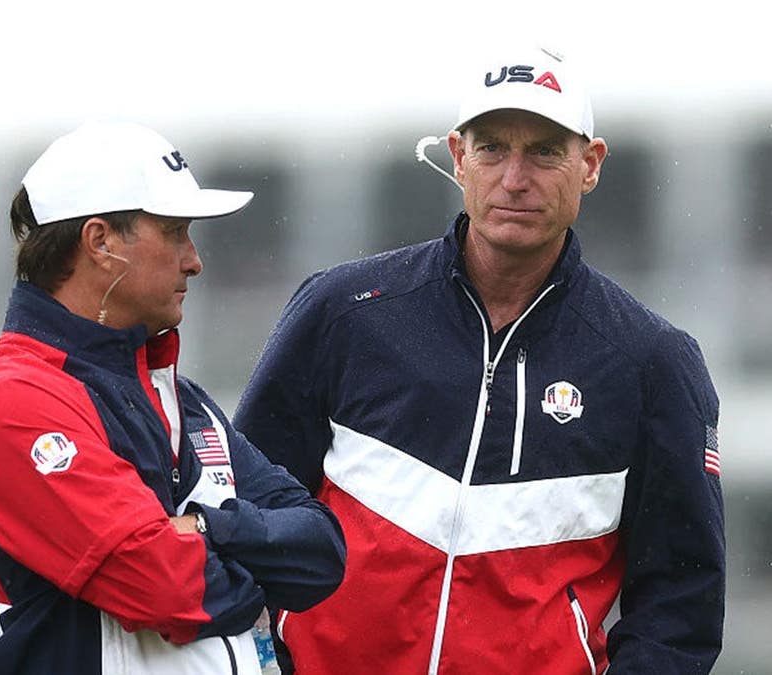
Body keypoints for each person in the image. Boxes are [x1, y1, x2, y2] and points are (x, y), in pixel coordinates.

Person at [234, 46, 724, 674]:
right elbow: (245, 507)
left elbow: (681, 601)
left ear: (590, 165)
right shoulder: (345, 311)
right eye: (492, 148)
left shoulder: (652, 362)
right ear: (459, 156)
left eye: (546, 151)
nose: (514, 178)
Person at [0, 121, 346, 675]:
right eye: (176, 231)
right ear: (100, 242)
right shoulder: (11, 397)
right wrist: (257, 569)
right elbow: (166, 587)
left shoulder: (183, 400)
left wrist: (209, 529)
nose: (194, 260)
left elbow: (321, 553)